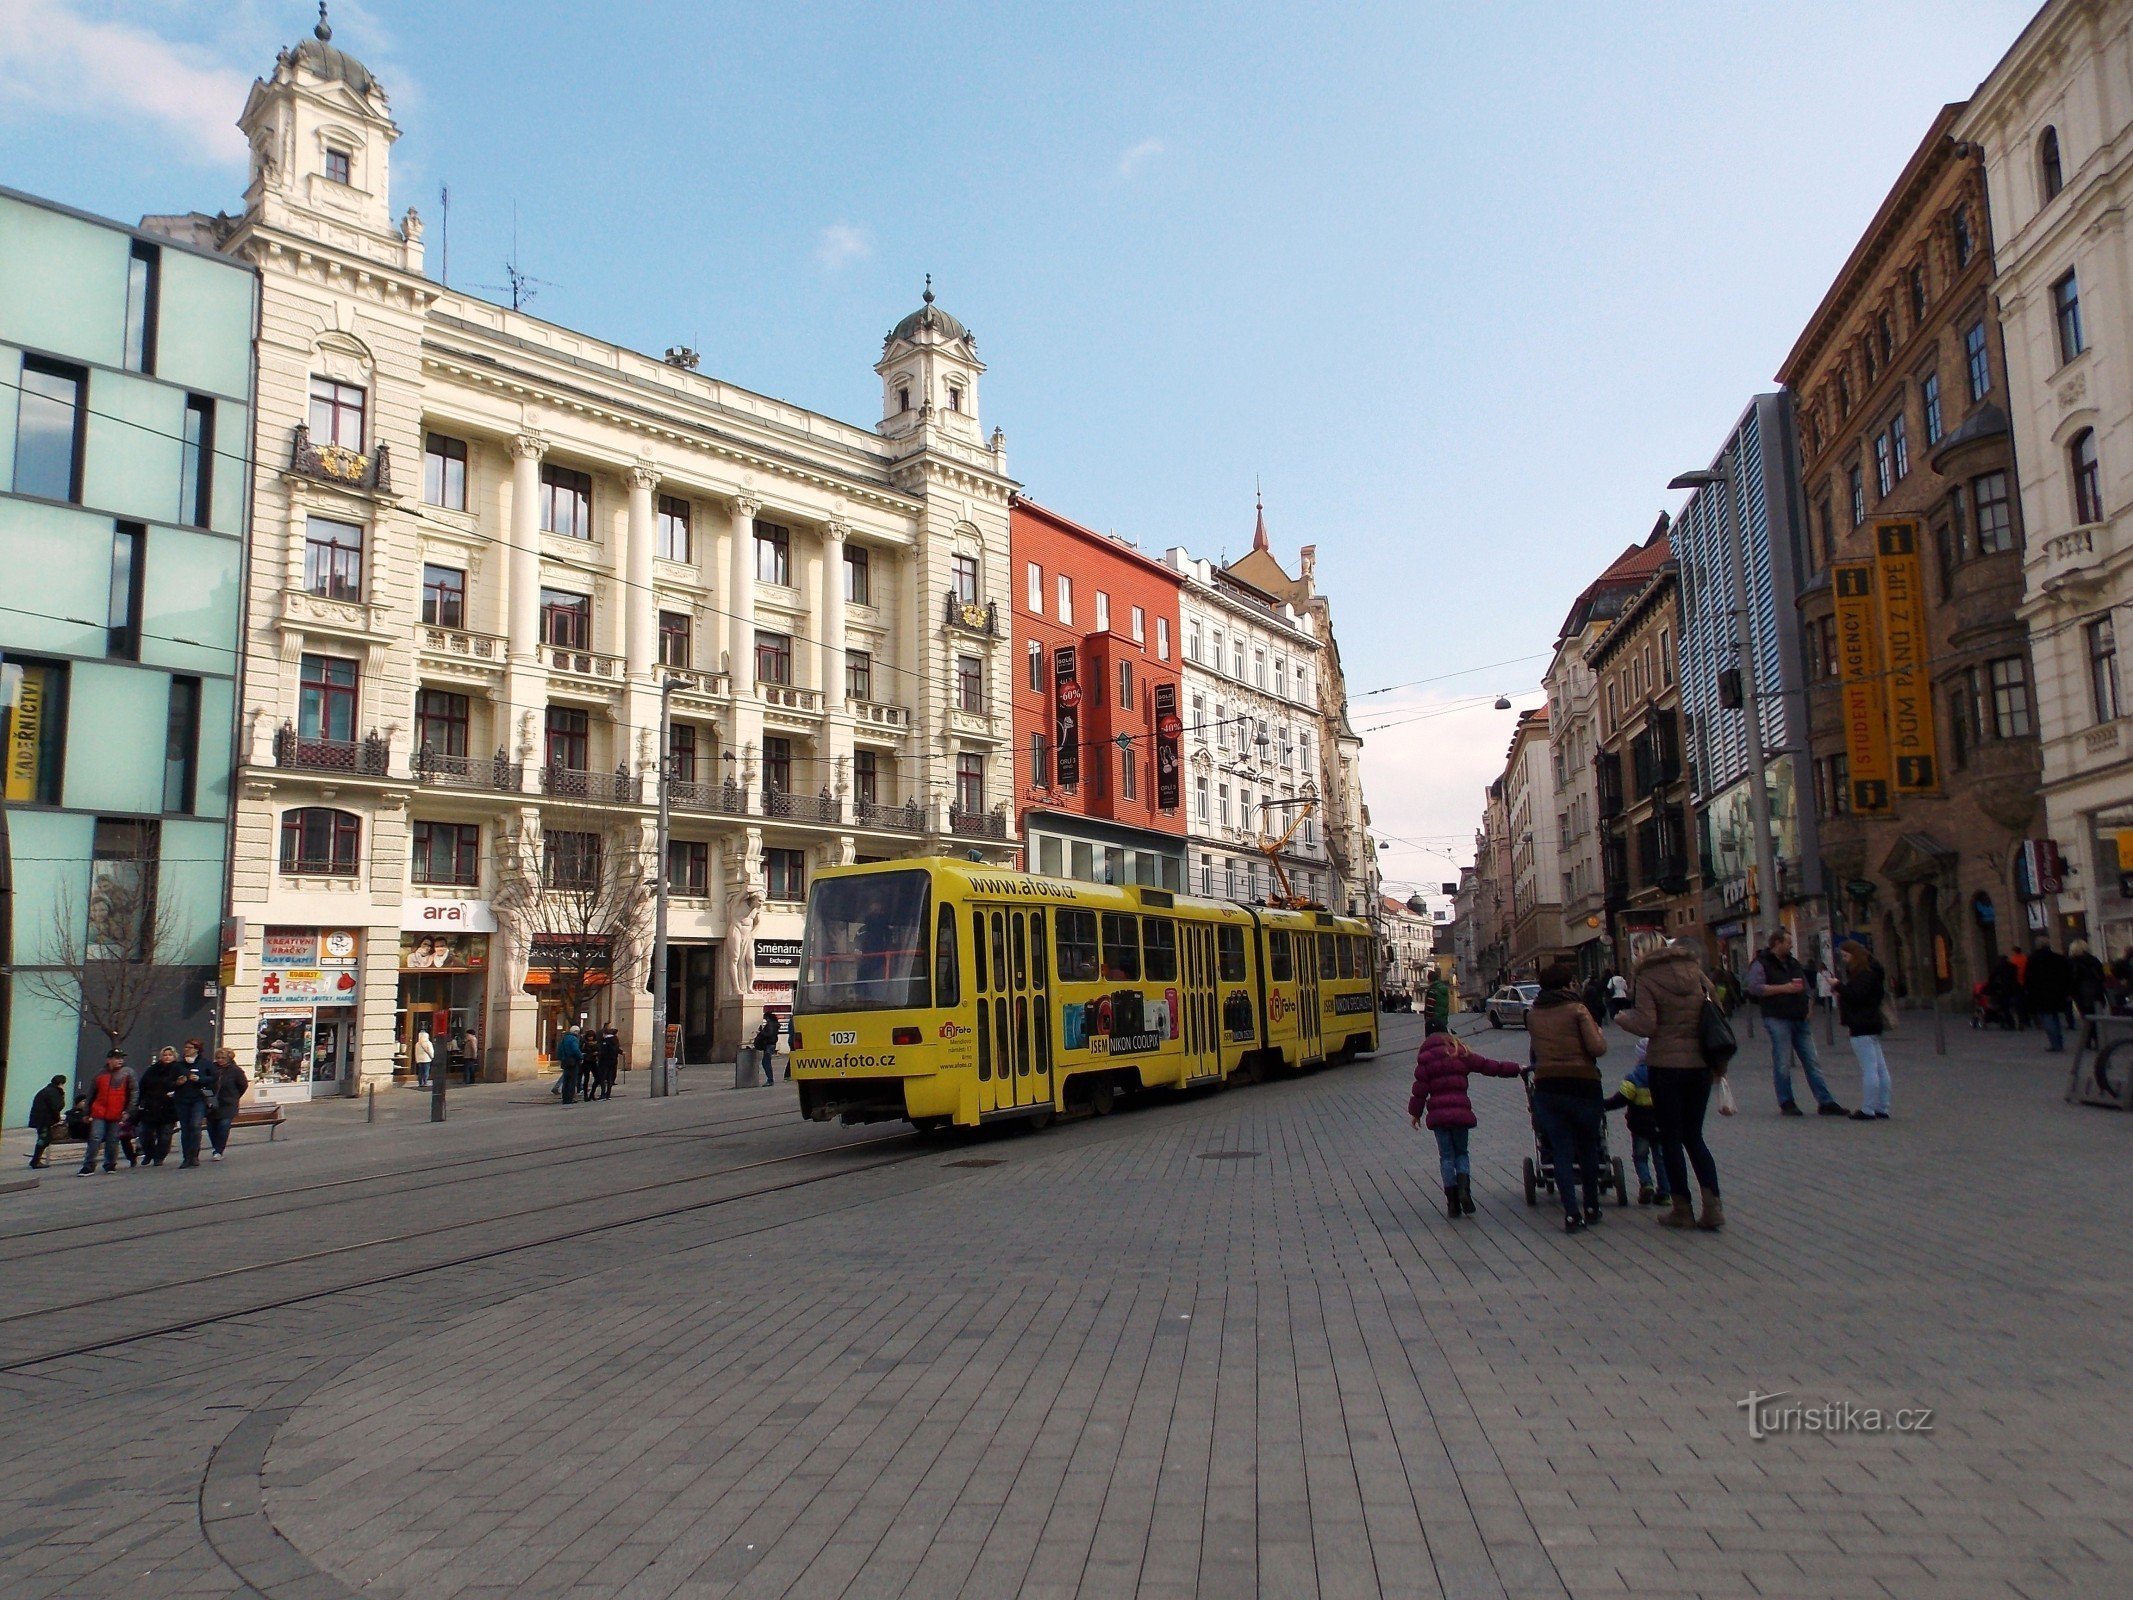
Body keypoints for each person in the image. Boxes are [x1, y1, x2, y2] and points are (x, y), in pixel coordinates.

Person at [1617, 939, 1727, 1230]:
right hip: (1700, 1066)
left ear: (1642, 952)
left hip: (1665, 1067)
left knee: (1671, 1138)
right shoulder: (1694, 970)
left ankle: (1682, 1207)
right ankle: (1713, 1206)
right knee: (1694, 1136)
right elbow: (1717, 1006)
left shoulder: (1646, 977)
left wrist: (1622, 1019)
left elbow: (1647, 1025)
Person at [1526, 961, 1610, 1233]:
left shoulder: (1533, 1014)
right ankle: (1592, 1206)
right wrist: (1599, 1033)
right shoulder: (1578, 1010)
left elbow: (1534, 1053)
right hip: (1582, 1083)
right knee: (1586, 1146)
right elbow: (1597, 1048)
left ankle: (1571, 1214)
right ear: (1566, 984)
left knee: (1560, 1150)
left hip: (1548, 1086)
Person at [1407, 1031, 1523, 1220]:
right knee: (1461, 1153)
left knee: (1446, 1157)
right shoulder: (1459, 1053)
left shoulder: (1425, 1059)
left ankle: (1452, 1203)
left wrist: (1415, 1114)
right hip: (1461, 1114)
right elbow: (1489, 1066)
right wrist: (1517, 1068)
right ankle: (1464, 1191)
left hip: (1439, 1118)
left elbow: (1419, 1090)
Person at [1745, 929, 1845, 1116]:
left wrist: (1809, 1005)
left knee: (1812, 1060)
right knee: (1782, 1061)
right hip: (1777, 1016)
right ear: (1776, 943)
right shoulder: (1761, 963)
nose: (1791, 945)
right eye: (1788, 942)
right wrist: (1785, 988)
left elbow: (1805, 987)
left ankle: (1825, 1101)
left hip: (1799, 1016)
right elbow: (1754, 988)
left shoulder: (1793, 962)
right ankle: (1786, 1101)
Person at [1602, 1046, 1670, 1207]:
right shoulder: (1665, 1075)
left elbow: (1621, 1099)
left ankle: (1646, 1184)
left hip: (1640, 1127)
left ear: (1639, 1057)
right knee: (1661, 1159)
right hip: (1661, 1125)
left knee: (1640, 1157)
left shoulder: (1634, 1077)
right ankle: (1665, 1193)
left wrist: (1603, 1105)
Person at [1836, 943, 1892, 1121]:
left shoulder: (1864, 974)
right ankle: (1882, 1106)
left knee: (1870, 1069)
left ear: (1854, 955)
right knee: (1880, 1068)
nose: (1844, 960)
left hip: (1861, 1023)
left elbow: (1856, 996)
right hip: (1872, 1022)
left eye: (1846, 956)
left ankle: (1868, 1109)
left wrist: (1838, 986)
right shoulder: (1874, 972)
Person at [78, 1050, 135, 1175]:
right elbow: (91, 1095)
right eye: (117, 1058)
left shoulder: (127, 1073)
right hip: (99, 1111)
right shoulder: (99, 1074)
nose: (120, 1060)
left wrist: (128, 1111)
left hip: (117, 1111)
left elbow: (133, 1093)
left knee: (113, 1139)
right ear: (109, 1060)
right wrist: (86, 1113)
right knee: (95, 1137)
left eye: (121, 1058)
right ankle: (88, 1165)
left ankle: (110, 1164)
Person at [136, 1046, 185, 1166]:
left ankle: (159, 1156)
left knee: (165, 1135)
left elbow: (182, 1086)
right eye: (165, 1055)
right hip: (151, 1106)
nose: (167, 1057)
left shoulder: (178, 1069)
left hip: (169, 1107)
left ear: (174, 1056)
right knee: (145, 1133)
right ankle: (149, 1153)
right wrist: (139, 1102)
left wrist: (175, 1090)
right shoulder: (152, 1069)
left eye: (170, 1055)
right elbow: (143, 1085)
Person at [2024, 939, 2073, 1052]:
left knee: (2047, 1017)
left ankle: (2056, 1044)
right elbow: (2066, 975)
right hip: (2057, 992)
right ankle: (2058, 1041)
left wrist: (2029, 992)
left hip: (2041, 993)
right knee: (2054, 1016)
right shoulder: (2058, 958)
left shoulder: (2033, 959)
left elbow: (2029, 978)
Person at [173, 1039, 213, 1168]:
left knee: (195, 1125)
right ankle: (186, 1157)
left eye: (189, 1047)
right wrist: (177, 1083)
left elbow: (214, 1078)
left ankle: (194, 1155)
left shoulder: (205, 1063)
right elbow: (169, 1081)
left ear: (196, 1049)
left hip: (198, 1099)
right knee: (185, 1129)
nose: (186, 1050)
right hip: (182, 1100)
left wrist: (200, 1079)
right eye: (185, 1047)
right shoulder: (178, 1065)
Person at [208, 1047, 249, 1160]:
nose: (220, 1060)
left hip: (228, 1104)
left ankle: (218, 1150)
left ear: (229, 1058)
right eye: (218, 1058)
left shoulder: (236, 1070)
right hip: (212, 1103)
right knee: (211, 1127)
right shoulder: (212, 1068)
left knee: (223, 1126)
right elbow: (207, 1083)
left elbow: (243, 1085)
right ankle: (215, 1146)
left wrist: (234, 1096)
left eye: (223, 1058)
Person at [28, 1074, 68, 1169]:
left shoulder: (46, 1090)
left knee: (45, 1138)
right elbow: (57, 1106)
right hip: (44, 1120)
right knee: (44, 1139)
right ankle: (35, 1161)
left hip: (41, 1119)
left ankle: (35, 1160)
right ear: (61, 1083)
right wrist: (62, 1095)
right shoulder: (54, 1092)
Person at [2070, 939, 2108, 1020]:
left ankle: (2089, 1032)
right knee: (2096, 1016)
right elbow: (2102, 976)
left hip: (2081, 994)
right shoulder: (2094, 960)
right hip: (2097, 991)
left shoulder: (2073, 962)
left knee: (2086, 1017)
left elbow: (2073, 979)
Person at [555, 1024, 585, 1104]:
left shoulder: (564, 1038)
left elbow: (560, 1049)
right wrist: (580, 1057)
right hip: (572, 1061)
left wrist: (561, 1058)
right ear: (576, 1032)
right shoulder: (573, 1039)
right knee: (572, 1080)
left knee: (566, 1080)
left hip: (565, 1061)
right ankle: (570, 1098)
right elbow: (575, 1049)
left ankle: (565, 1098)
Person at [752, 1011, 782, 1086]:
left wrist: (761, 1033)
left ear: (768, 1018)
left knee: (766, 1062)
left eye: (765, 1018)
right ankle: (770, 1079)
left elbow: (768, 1034)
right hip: (771, 1044)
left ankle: (770, 1080)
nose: (765, 1020)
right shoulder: (774, 1024)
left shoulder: (770, 1025)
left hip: (769, 1044)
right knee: (766, 1062)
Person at [1422, 972, 1452, 1037]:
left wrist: (1428, 1019)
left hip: (1433, 1021)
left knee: (1432, 1041)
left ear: (1429, 980)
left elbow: (1430, 1007)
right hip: (1443, 1020)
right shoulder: (1443, 989)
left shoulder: (1433, 990)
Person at [595, 1025, 621, 1099]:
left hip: (605, 1062)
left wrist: (598, 1055)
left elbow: (603, 1052)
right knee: (610, 1078)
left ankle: (603, 1094)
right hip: (613, 1061)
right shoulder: (615, 1040)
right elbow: (616, 1049)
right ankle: (608, 1093)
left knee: (603, 1078)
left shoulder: (606, 1041)